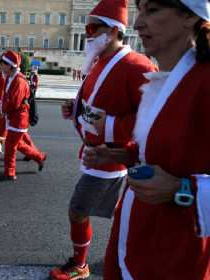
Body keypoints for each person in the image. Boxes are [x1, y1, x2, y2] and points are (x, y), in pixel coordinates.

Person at [80, 0, 210, 278]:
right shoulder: (167, 78)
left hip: (175, 254)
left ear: (189, 17)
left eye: (152, 10)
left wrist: (183, 188)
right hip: (137, 238)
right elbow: (164, 151)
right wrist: (122, 154)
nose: (137, 24)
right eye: (140, 10)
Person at [49, 0, 157, 279]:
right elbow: (93, 101)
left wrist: (108, 126)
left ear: (112, 31)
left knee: (77, 209)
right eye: (87, 27)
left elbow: (154, 119)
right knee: (102, 214)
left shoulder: (137, 66)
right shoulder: (101, 61)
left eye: (93, 28)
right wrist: (73, 109)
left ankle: (81, 264)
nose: (88, 34)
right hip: (94, 153)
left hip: (111, 160)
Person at [0, 50, 47, 181]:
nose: (0, 65)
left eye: (2, 63)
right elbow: (7, 98)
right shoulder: (9, 76)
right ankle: (39, 157)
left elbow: (13, 102)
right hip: (14, 117)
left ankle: (10, 172)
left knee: (10, 147)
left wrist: (3, 111)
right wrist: (2, 109)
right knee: (16, 144)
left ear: (9, 65)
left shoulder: (19, 81)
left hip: (18, 118)